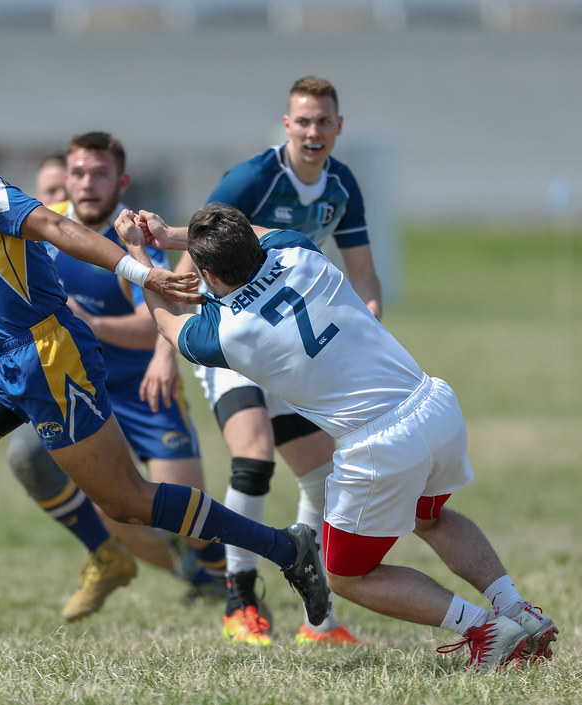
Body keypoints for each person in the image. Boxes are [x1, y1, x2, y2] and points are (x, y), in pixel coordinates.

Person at [0, 85, 330, 653]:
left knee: (126, 499)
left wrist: (140, 272)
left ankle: (287, 548)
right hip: (3, 355)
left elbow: (53, 226)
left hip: (48, 358)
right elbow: (8, 272)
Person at [115, 202, 559, 672]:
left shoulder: (227, 333)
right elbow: (260, 230)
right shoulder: (296, 250)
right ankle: (516, 608)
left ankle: (486, 629)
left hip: (380, 443)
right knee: (432, 518)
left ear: (206, 272)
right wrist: (171, 235)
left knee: (346, 576)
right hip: (433, 403)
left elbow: (165, 323)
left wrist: (140, 253)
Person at [0, 132, 227, 621]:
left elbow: (152, 328)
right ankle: (139, 564)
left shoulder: (132, 238)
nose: (87, 184)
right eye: (78, 173)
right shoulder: (41, 221)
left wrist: (90, 323)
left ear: (120, 181)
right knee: (87, 492)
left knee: (190, 520)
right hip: (75, 385)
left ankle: (231, 587)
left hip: (144, 392)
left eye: (99, 174)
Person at [175, 76, 379, 646]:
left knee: (320, 475)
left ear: (338, 127)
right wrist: (169, 348)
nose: (313, 132)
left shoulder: (342, 185)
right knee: (255, 457)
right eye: (303, 121)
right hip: (234, 337)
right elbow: (198, 249)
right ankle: (239, 601)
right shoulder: (252, 180)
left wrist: (369, 327)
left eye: (324, 122)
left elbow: (362, 272)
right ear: (287, 126)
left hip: (290, 342)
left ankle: (317, 619)